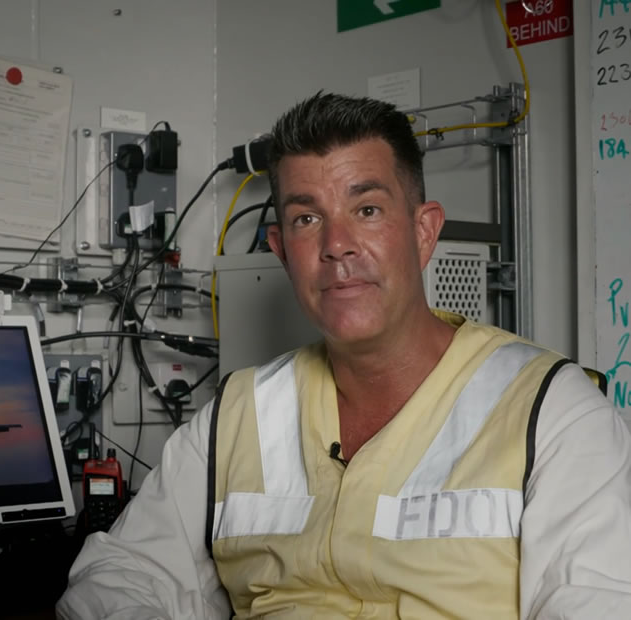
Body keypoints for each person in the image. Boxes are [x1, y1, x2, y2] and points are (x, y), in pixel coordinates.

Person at [56, 92, 631, 619]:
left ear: (425, 232)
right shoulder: (236, 415)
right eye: (308, 219)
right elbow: (119, 574)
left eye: (368, 210)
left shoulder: (554, 414)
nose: (336, 246)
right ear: (282, 251)